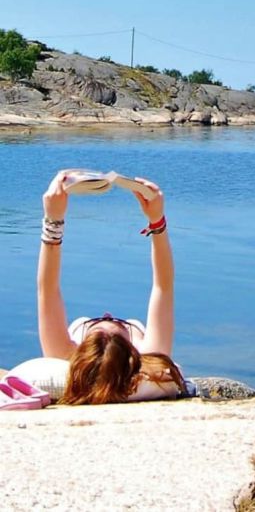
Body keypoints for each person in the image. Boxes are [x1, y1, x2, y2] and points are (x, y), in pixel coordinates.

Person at [37, 170, 187, 404]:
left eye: (95, 324)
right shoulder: (150, 354)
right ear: (131, 355)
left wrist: (53, 219)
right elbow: (163, 286)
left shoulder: (62, 353)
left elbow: (47, 289)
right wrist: (157, 220)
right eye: (121, 325)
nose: (108, 316)